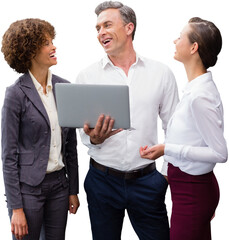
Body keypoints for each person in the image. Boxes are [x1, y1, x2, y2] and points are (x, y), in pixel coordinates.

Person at [76, 1, 179, 239]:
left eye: (107, 25)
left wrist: (164, 176)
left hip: (147, 182)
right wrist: (93, 139)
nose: (101, 32)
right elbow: (83, 133)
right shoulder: (87, 75)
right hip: (101, 182)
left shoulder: (160, 73)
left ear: (129, 27)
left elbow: (174, 127)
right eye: (98, 28)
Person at [140, 17, 228, 240]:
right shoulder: (196, 88)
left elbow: (220, 153)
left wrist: (167, 148)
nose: (175, 40)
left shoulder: (200, 97)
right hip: (189, 190)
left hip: (193, 193)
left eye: (180, 37)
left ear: (193, 47)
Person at [1, 18, 79, 240]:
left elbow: (70, 146)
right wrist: (16, 208)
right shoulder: (15, 94)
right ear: (30, 50)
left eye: (52, 41)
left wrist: (73, 189)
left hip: (59, 187)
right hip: (28, 190)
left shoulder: (65, 88)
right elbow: (8, 156)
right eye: (46, 43)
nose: (53, 46)